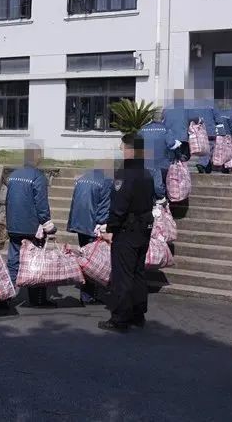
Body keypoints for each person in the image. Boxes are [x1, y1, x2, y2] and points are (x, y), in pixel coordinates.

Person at [98, 134, 156, 332]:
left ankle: (120, 319)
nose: (121, 150)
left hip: (127, 229)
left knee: (123, 276)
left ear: (130, 150)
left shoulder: (125, 173)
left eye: (122, 147)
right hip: (143, 228)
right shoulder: (146, 173)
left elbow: (119, 205)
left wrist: (111, 228)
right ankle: (138, 314)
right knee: (138, 273)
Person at [5, 144, 56, 308]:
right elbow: (41, 204)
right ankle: (37, 299)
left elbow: (8, 200)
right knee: (36, 262)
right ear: (37, 157)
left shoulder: (13, 175)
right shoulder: (38, 177)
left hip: (13, 225)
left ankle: (6, 295)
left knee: (13, 261)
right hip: (31, 227)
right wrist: (47, 223)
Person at [66, 162, 112, 304]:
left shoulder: (82, 178)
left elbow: (75, 201)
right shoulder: (106, 181)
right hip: (93, 225)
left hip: (80, 224)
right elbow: (104, 205)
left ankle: (86, 293)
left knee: (85, 257)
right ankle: (88, 295)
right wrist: (102, 226)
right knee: (92, 260)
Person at [137, 111, 175, 201]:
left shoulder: (143, 129)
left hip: (146, 163)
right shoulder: (166, 129)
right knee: (160, 184)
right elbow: (171, 143)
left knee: (148, 185)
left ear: (151, 119)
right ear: (163, 119)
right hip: (162, 163)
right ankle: (161, 200)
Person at [187, 91, 221, 174]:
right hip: (210, 130)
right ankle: (202, 164)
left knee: (204, 148)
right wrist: (221, 130)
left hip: (197, 130)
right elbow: (218, 119)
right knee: (210, 148)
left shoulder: (193, 106)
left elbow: (190, 117)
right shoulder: (211, 105)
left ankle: (207, 166)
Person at [162, 89, 191, 163]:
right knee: (182, 161)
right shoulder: (187, 108)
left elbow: (162, 122)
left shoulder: (166, 108)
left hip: (169, 139)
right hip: (182, 138)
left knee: (171, 161)